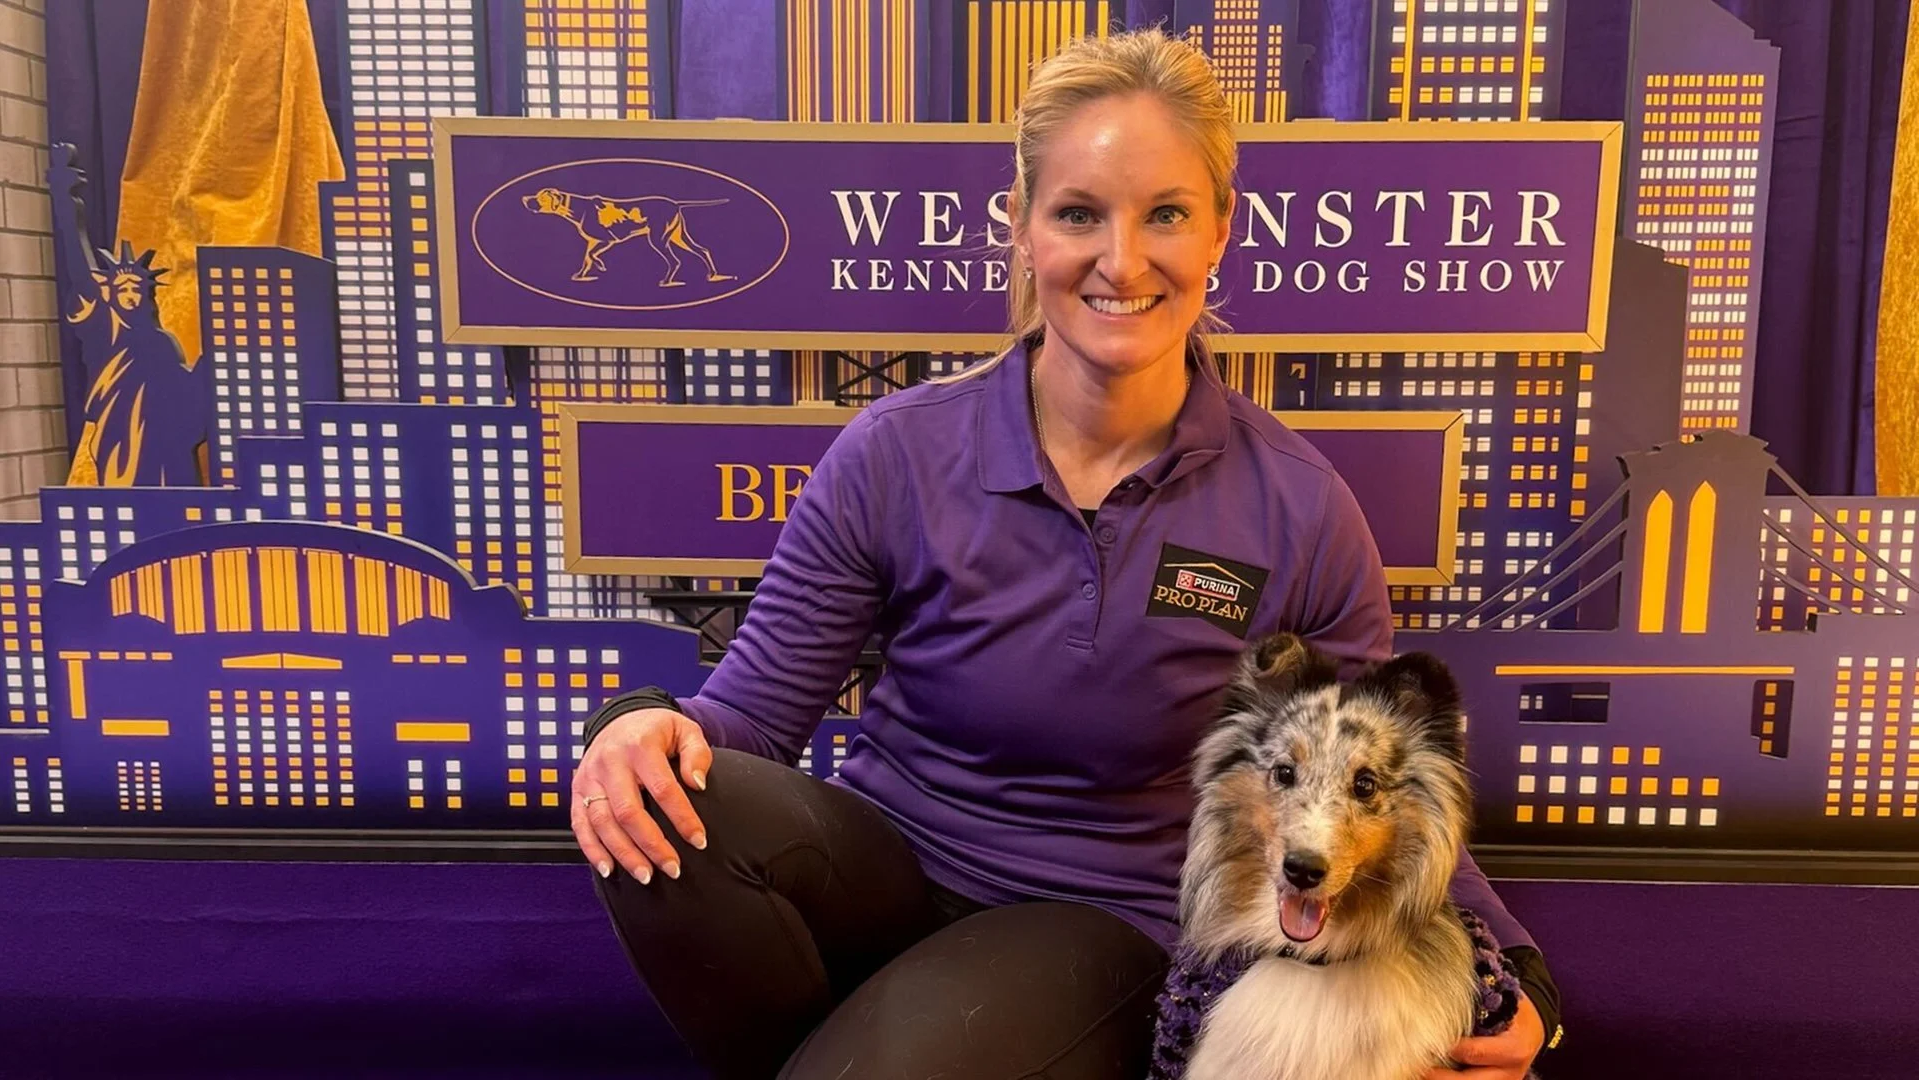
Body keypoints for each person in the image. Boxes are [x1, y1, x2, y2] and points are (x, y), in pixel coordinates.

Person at [570, 28, 1561, 1080]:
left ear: (1221, 228)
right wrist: (635, 727)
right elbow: (750, 717)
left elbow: (1382, 789)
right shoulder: (897, 450)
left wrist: (1525, 977)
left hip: (1101, 923)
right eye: (1080, 213)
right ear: (1024, 226)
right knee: (655, 811)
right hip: (891, 868)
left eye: (1166, 214)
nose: (1121, 261)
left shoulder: (1303, 511)